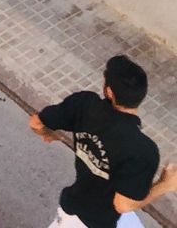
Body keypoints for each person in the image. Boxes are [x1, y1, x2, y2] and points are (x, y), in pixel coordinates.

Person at [31, 55, 177, 228]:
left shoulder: (83, 104)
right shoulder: (143, 151)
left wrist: (48, 133)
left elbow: (36, 123)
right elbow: (123, 205)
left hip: (74, 207)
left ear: (109, 92)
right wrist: (165, 185)